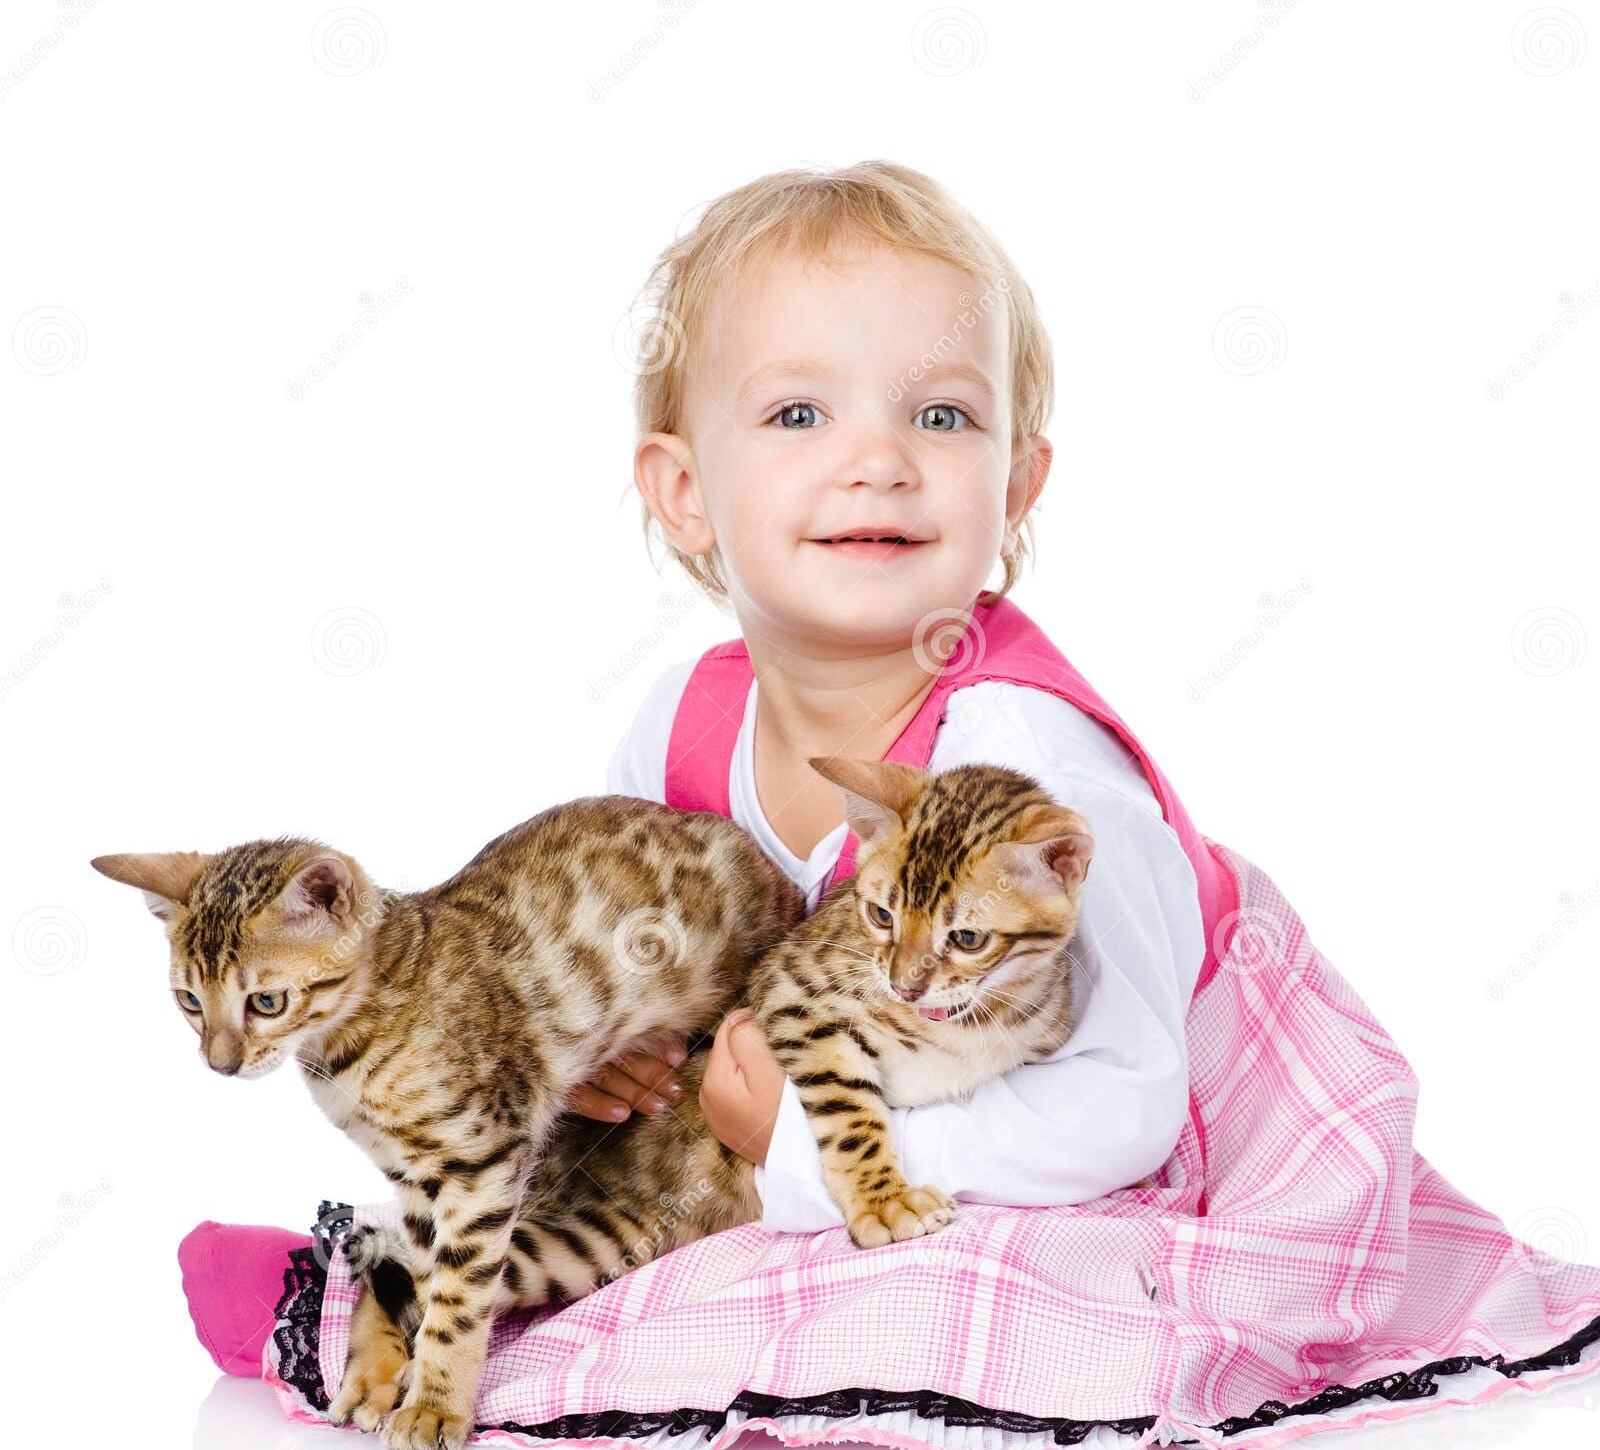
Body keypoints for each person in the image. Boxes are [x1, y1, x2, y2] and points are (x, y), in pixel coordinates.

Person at [180, 159, 1217, 1375]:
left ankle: (550, 1328)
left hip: (1050, 1147)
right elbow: (629, 970)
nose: (877, 460)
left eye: (941, 416)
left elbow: (1127, 1107)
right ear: (683, 493)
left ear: (1019, 481)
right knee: (600, 1164)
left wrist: (807, 1149)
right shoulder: (688, 716)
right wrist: (607, 1049)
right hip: (765, 1128)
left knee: (952, 1291)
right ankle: (391, 1289)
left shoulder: (1031, 768)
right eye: (797, 414)